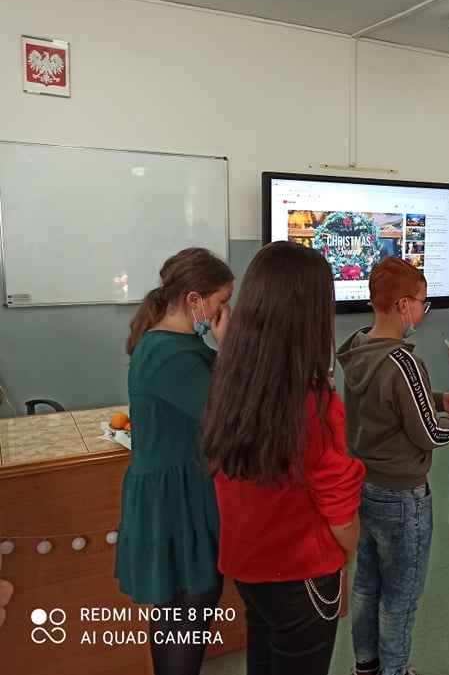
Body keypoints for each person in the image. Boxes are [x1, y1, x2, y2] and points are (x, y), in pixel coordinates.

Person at [201, 241, 365, 675]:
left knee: (264, 660)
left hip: (247, 567)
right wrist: (354, 548)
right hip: (301, 576)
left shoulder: (228, 383)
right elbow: (339, 509)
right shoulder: (313, 401)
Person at [337, 257, 449, 675]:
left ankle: (366, 666)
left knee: (367, 584)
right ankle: (394, 670)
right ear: (403, 305)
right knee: (401, 597)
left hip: (364, 488)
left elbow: (387, 407)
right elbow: (430, 434)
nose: (424, 310)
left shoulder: (358, 347)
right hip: (401, 497)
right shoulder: (403, 362)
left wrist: (440, 399)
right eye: (423, 302)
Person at [115, 247, 233, 675]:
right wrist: (229, 346)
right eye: (221, 301)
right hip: (174, 498)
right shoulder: (168, 353)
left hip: (187, 486)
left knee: (189, 604)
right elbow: (225, 414)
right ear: (194, 299)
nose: (225, 312)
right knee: (189, 605)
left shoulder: (181, 343)